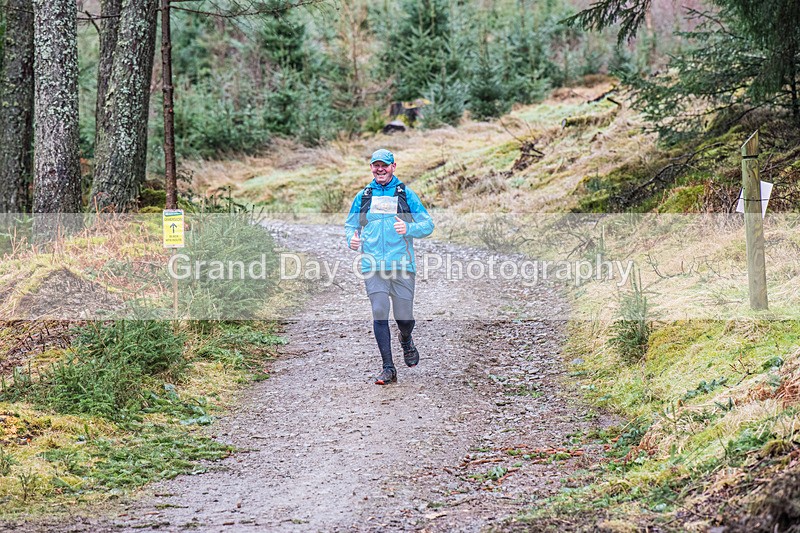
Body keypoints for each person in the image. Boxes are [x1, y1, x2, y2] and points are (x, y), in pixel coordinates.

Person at [345, 149, 435, 385]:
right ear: (371, 168)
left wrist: (409, 229)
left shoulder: (405, 194)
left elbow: (428, 224)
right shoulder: (364, 196)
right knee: (379, 310)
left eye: (384, 165)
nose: (380, 169)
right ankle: (388, 368)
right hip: (373, 266)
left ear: (393, 166)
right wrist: (351, 239)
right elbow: (350, 225)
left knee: (404, 318)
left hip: (402, 265)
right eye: (375, 165)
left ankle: (406, 338)